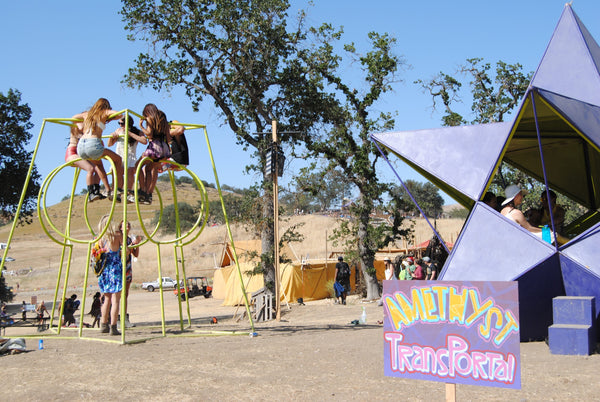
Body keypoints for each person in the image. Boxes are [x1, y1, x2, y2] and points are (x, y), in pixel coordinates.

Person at [72, 98, 124, 201]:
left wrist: (81, 125)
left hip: (81, 146)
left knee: (99, 165)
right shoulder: (104, 112)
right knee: (117, 159)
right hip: (93, 144)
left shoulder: (87, 114)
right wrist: (109, 115)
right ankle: (116, 188)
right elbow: (120, 114)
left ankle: (97, 191)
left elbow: (73, 118)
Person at [66, 116, 109, 202]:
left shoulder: (88, 129)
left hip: (81, 153)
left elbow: (101, 128)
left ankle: (96, 190)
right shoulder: (78, 124)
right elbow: (81, 127)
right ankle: (91, 193)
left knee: (98, 169)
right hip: (73, 152)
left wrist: (104, 121)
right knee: (90, 168)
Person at [108, 117, 147, 203]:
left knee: (130, 171)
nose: (120, 126)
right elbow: (109, 144)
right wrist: (112, 137)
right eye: (119, 124)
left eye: (122, 124)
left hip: (130, 157)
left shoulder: (136, 132)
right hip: (120, 156)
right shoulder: (118, 130)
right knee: (117, 173)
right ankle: (116, 192)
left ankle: (129, 194)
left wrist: (129, 133)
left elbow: (144, 141)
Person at [96, 214, 124, 336]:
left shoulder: (100, 238)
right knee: (116, 299)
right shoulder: (117, 236)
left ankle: (103, 324)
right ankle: (113, 326)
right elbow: (126, 249)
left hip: (105, 270)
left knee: (106, 298)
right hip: (115, 268)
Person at [138, 104, 171, 204]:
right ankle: (149, 194)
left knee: (138, 166)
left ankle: (142, 190)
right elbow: (169, 138)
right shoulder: (163, 120)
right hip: (164, 148)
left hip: (154, 147)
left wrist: (141, 126)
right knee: (150, 168)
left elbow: (149, 133)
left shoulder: (150, 119)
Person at [119, 220, 142, 328]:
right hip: (119, 267)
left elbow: (135, 254)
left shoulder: (128, 239)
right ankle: (115, 317)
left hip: (128, 267)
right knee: (117, 293)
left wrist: (137, 245)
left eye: (128, 224)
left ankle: (124, 316)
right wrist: (131, 245)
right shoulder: (119, 238)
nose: (127, 225)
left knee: (125, 294)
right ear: (121, 227)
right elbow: (123, 251)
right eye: (125, 224)